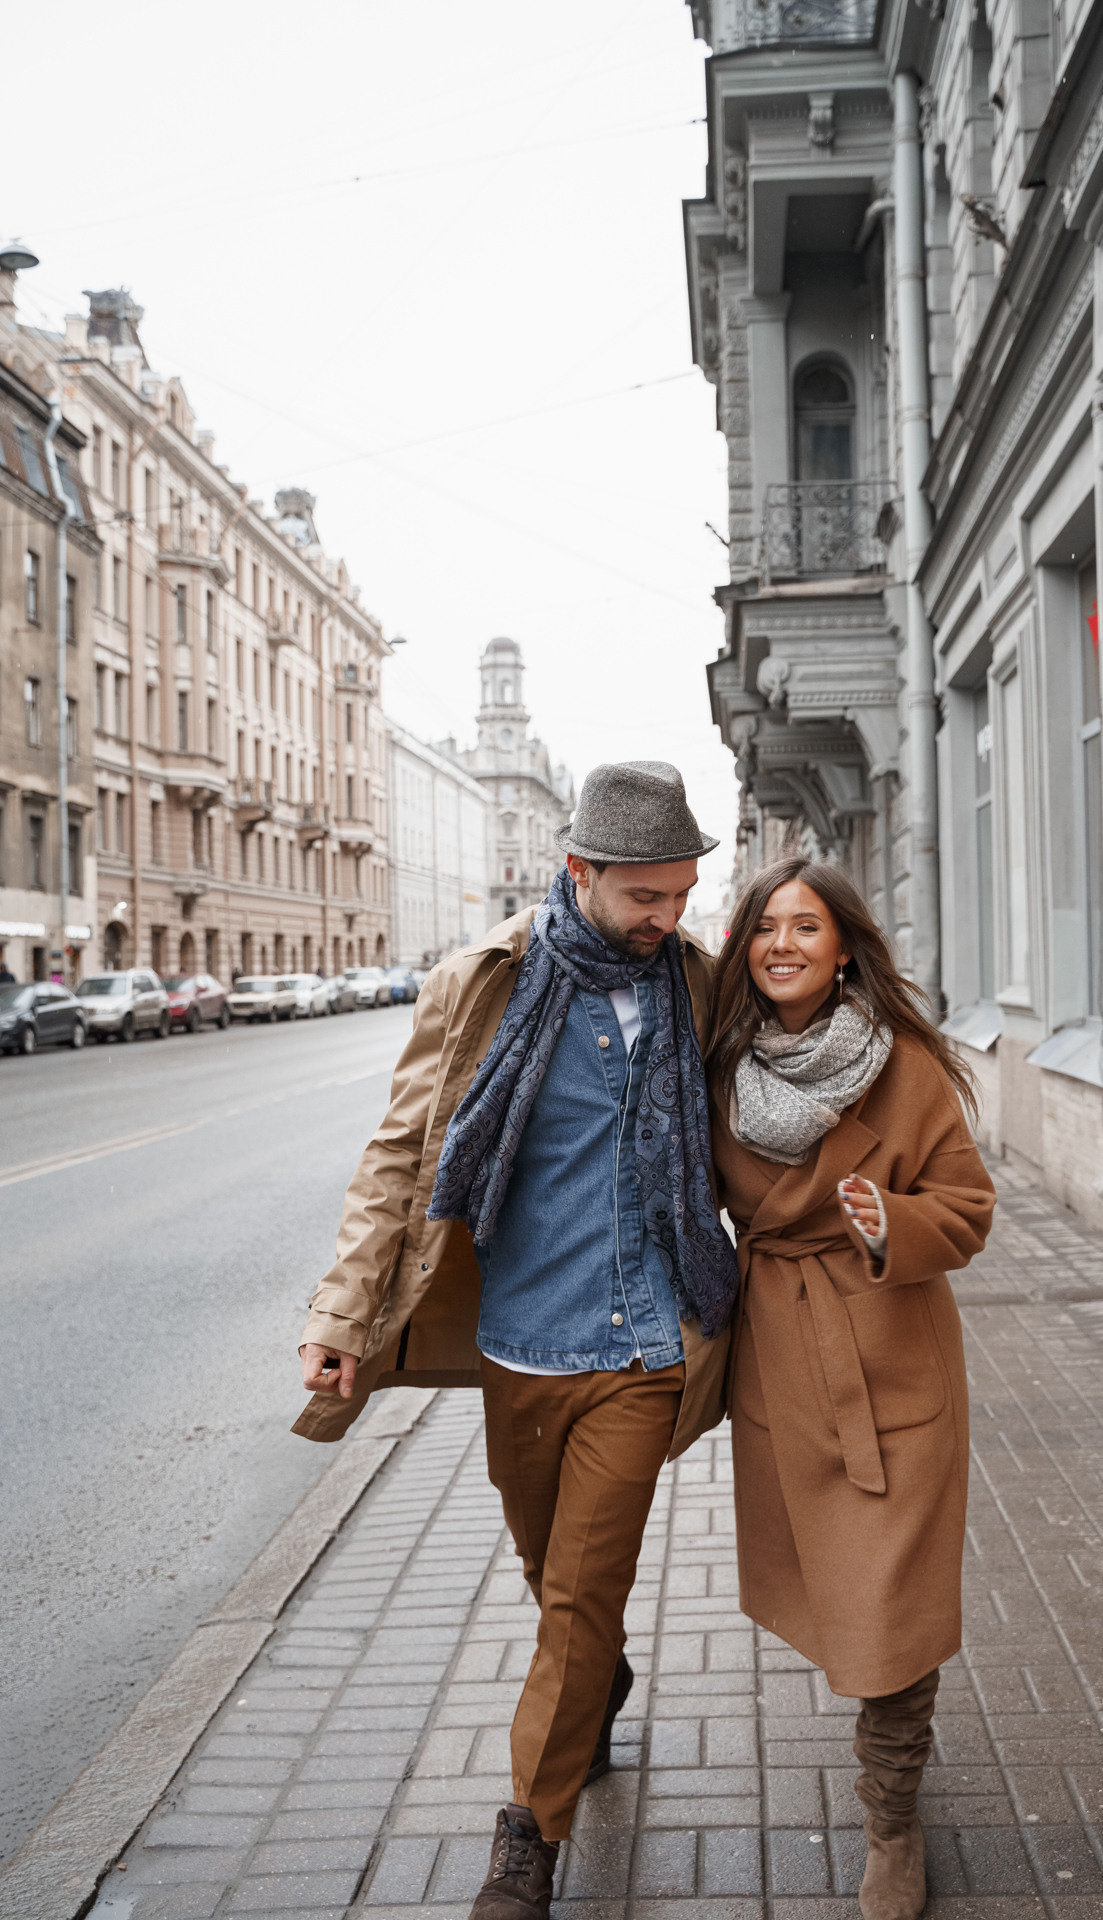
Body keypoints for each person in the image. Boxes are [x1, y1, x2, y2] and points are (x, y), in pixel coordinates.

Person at [296, 762, 738, 1920]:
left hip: (644, 1347)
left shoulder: (696, 982)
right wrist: (342, 1315)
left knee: (582, 1593)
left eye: (680, 895)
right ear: (577, 871)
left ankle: (526, 1842)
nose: (665, 919)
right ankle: (592, 1685)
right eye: (643, 896)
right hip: (519, 1347)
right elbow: (399, 1159)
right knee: (552, 1578)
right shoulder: (480, 982)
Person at [706, 857, 995, 1920]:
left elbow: (967, 1208)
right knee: (840, 1594)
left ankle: (891, 1821)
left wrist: (891, 1224)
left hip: (892, 1358)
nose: (782, 944)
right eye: (764, 927)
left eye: (805, 927)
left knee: (891, 1607)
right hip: (781, 1359)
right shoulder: (720, 1069)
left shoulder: (903, 1065)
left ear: (842, 952)